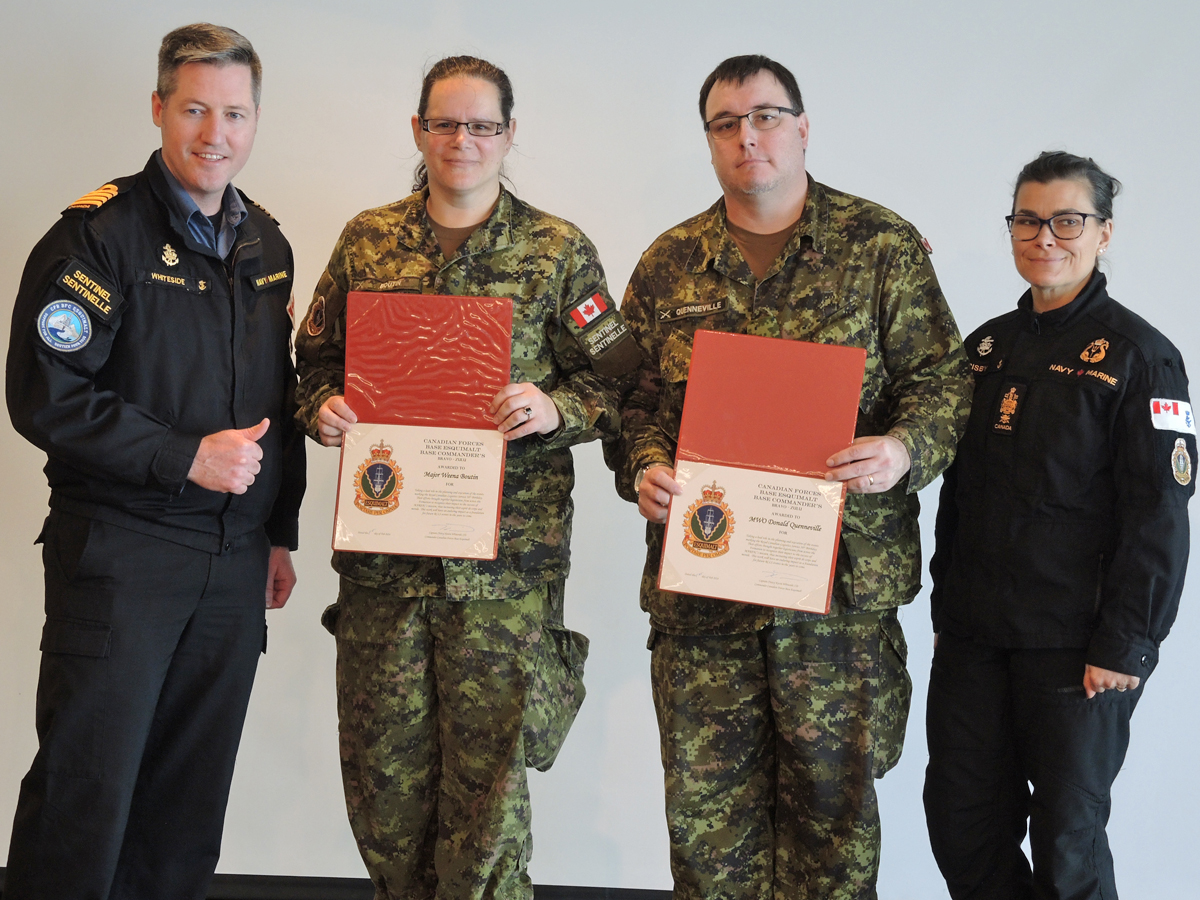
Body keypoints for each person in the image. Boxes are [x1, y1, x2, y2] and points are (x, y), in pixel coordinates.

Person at [614, 54, 971, 899]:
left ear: (803, 128)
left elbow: (945, 379)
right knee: (708, 838)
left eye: (767, 117)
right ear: (708, 141)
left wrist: (903, 449)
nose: (749, 137)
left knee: (833, 832)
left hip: (835, 605)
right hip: (707, 602)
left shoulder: (880, 246)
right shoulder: (670, 264)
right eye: (726, 123)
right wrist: (645, 465)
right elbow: (630, 398)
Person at [294, 56, 639, 900]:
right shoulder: (368, 240)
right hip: (385, 570)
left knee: (487, 809)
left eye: (483, 125)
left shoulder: (558, 251)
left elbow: (623, 381)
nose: (464, 141)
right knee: (384, 794)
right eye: (445, 123)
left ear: (510, 135)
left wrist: (559, 409)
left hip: (503, 579)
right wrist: (324, 408)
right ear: (418, 131)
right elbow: (311, 362)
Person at [3, 23, 304, 900]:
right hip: (123, 554)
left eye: (236, 113)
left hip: (233, 561)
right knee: (85, 789)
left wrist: (277, 532)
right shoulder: (97, 237)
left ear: (255, 121)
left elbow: (275, 406)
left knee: (188, 798)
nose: (217, 133)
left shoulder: (266, 245)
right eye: (196, 109)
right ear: (159, 109)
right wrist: (181, 458)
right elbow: (46, 394)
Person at [924, 151, 1193, 900]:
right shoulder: (983, 350)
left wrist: (1128, 644)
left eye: (1068, 220)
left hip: (1079, 651)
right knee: (961, 820)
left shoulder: (1141, 357)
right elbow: (956, 497)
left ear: (1104, 232)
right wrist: (949, 613)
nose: (1046, 236)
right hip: (976, 639)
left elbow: (1159, 516)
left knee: (1067, 844)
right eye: (1028, 219)